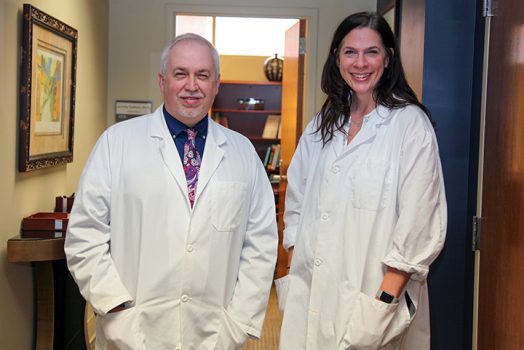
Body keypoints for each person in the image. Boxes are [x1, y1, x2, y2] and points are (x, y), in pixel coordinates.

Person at [65, 33, 278, 350]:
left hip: (216, 331)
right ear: (162, 80)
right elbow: (85, 235)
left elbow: (260, 243)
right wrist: (116, 308)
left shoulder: (242, 152)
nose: (192, 85)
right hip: (131, 330)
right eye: (181, 74)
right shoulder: (116, 143)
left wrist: (238, 320)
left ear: (216, 84)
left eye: (202, 75)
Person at [276, 12, 447, 349]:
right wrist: (297, 259)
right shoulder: (323, 123)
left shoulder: (409, 125)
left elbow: (420, 221)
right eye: (350, 52)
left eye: (372, 51)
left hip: (373, 300)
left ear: (389, 58)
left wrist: (383, 302)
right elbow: (296, 200)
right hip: (311, 291)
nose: (360, 63)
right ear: (337, 57)